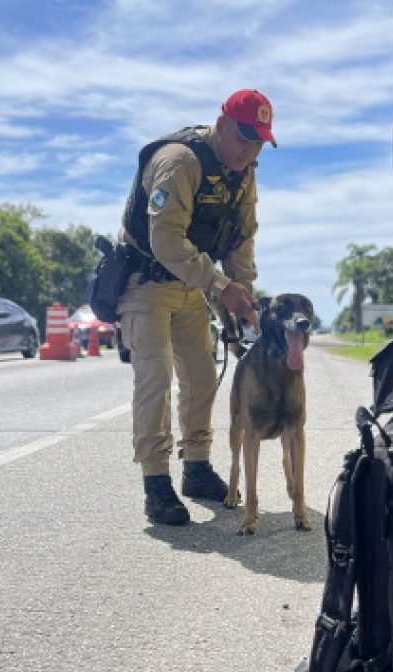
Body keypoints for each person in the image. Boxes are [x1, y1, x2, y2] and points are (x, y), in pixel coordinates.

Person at [116, 88, 274, 525]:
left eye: (258, 142)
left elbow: (241, 242)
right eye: (243, 138)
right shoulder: (179, 161)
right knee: (156, 377)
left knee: (203, 377)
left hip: (192, 286)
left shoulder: (243, 173)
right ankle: (156, 482)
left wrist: (242, 300)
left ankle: (197, 467)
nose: (249, 150)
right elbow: (164, 240)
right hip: (147, 280)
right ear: (221, 126)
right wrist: (220, 286)